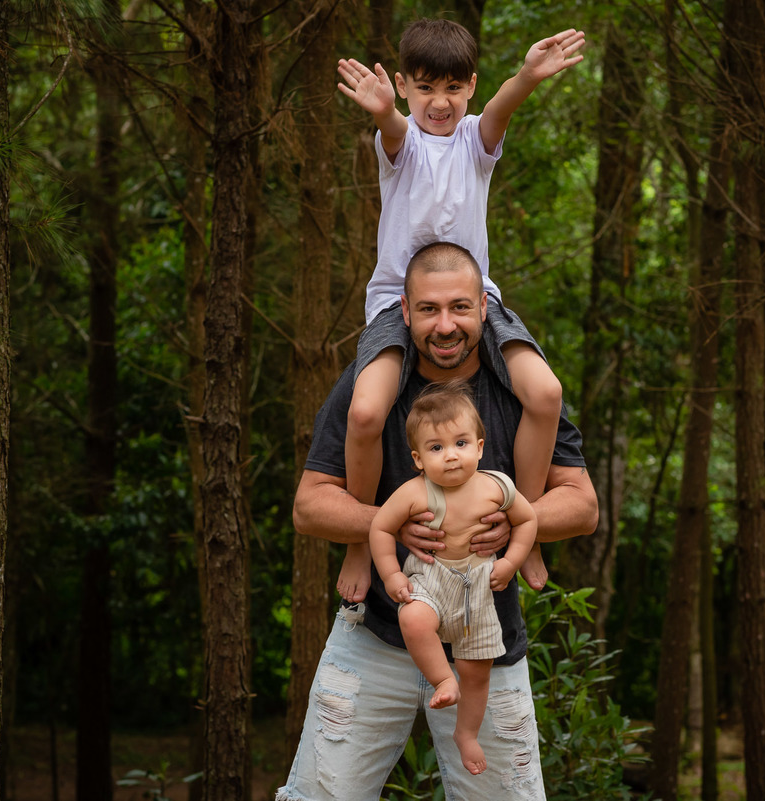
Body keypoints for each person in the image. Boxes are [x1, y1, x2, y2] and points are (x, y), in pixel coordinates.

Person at [277, 242, 598, 801]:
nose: (445, 325)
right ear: (404, 311)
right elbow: (308, 505)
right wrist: (388, 523)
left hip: (486, 639)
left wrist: (518, 524)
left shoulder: (517, 391)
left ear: (484, 309)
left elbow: (582, 504)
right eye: (428, 310)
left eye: (459, 308)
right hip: (377, 632)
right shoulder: (374, 384)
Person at [333, 18, 586, 604]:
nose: (439, 102)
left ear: (470, 86)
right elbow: (394, 128)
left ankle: (528, 527)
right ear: (403, 86)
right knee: (367, 412)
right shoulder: (400, 145)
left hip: (477, 301)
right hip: (401, 303)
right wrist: (380, 111)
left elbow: (500, 110)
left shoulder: (477, 140)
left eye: (452, 88)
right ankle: (356, 537)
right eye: (424, 88)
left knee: (545, 395)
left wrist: (526, 75)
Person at [370, 380, 538, 775]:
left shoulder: (497, 486)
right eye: (436, 448)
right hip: (431, 577)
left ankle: (466, 734)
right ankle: (443, 680)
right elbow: (379, 527)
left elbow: (528, 520)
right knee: (412, 617)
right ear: (417, 459)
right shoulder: (414, 492)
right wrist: (392, 574)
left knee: (478, 673)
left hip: (478, 587)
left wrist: (511, 561)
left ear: (479, 447)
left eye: (461, 444)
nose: (450, 456)